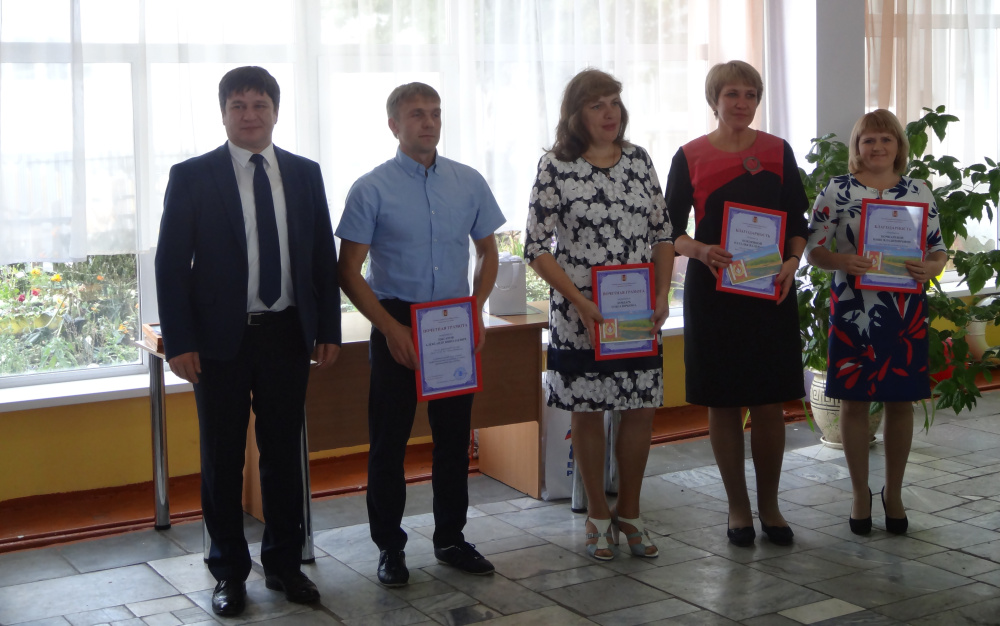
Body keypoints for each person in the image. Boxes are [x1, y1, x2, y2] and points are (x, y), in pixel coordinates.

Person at [154, 66, 341, 616]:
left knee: (283, 455)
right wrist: (179, 341)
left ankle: (284, 563)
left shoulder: (304, 174)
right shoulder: (192, 176)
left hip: (286, 335)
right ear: (223, 114)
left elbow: (320, 258)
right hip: (218, 343)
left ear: (276, 112)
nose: (250, 115)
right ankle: (228, 573)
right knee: (222, 459)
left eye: (260, 105)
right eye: (238, 105)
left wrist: (327, 328)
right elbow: (171, 265)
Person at [336, 82, 505, 587]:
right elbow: (348, 271)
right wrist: (388, 328)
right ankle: (390, 547)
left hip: (452, 320)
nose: (428, 122)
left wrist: (477, 309)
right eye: (416, 114)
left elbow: (488, 250)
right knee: (389, 442)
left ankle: (451, 538)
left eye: (434, 113)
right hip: (396, 320)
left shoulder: (468, 181)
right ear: (394, 125)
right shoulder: (371, 188)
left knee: (453, 439)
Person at [524, 68, 674, 561]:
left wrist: (662, 294)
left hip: (637, 311)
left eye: (614, 102)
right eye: (597, 105)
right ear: (576, 114)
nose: (610, 113)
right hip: (580, 313)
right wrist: (580, 302)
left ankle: (630, 512)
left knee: (639, 408)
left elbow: (663, 234)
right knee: (588, 410)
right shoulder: (555, 166)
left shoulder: (639, 160)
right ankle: (596, 514)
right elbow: (535, 247)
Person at [664, 60, 807, 547]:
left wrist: (792, 262)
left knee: (769, 401)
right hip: (714, 295)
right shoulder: (690, 155)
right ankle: (738, 508)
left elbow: (798, 223)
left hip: (770, 291)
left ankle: (771, 506)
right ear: (714, 100)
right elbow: (669, 232)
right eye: (732, 94)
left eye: (750, 94)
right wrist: (701, 250)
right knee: (723, 402)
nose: (742, 103)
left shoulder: (778, 151)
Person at [805, 109, 947, 536]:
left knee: (900, 402)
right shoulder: (837, 190)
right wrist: (841, 260)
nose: (878, 147)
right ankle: (859, 494)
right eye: (868, 139)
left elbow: (938, 250)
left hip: (904, 312)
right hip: (853, 308)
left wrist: (931, 268)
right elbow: (813, 250)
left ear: (899, 146)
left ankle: (894, 494)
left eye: (886, 139)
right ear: (857, 146)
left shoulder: (919, 191)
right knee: (853, 402)